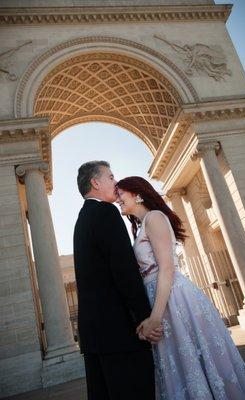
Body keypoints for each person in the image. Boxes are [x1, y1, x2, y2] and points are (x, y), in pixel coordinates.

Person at [116, 176, 245, 400]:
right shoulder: (140, 226)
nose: (117, 198)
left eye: (120, 193)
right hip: (160, 299)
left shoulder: (154, 218)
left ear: (137, 194)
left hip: (173, 299)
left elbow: (167, 269)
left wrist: (155, 318)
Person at [73, 161, 161, 400]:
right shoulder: (106, 212)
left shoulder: (83, 218)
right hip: (119, 334)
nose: (116, 182)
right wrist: (145, 316)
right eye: (111, 177)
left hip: (95, 336)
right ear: (95, 182)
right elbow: (124, 271)